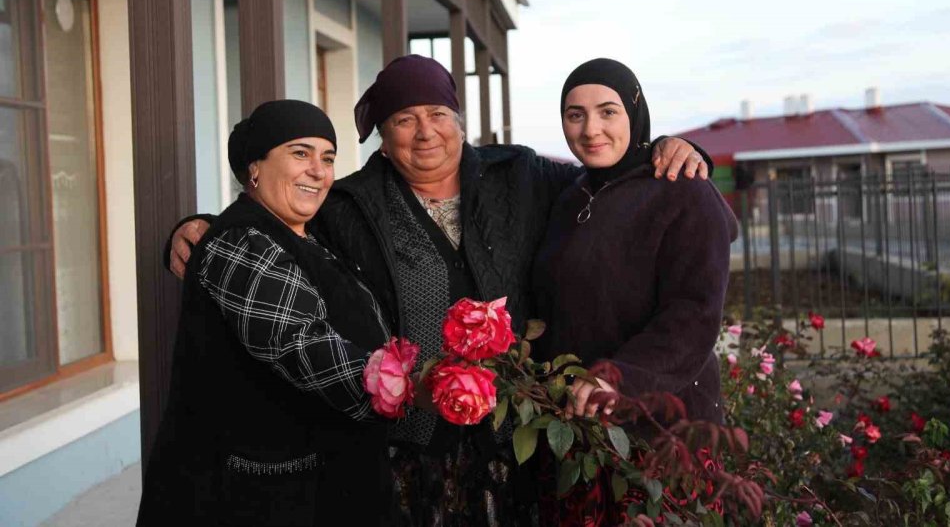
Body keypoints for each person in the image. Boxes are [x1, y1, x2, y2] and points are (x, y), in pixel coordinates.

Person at [167, 55, 711, 526]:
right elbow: (281, 227)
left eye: (436, 115)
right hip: (410, 446)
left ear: (458, 120)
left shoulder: (521, 174)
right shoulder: (349, 205)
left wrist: (666, 147)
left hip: (517, 437)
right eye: (404, 119)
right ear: (383, 134)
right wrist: (202, 225)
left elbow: (607, 182)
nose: (424, 132)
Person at [137, 100, 392, 527]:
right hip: (252, 498)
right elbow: (302, 347)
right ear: (254, 168)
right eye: (300, 153)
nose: (318, 170)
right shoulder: (241, 245)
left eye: (327, 158)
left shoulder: (311, 236)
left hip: (320, 484)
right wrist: (407, 390)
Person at [531, 58, 738, 523]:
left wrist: (618, 377)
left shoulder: (682, 189)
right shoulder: (570, 198)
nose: (591, 129)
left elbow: (693, 315)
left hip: (662, 434)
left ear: (635, 113)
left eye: (608, 111)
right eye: (575, 114)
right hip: (580, 430)